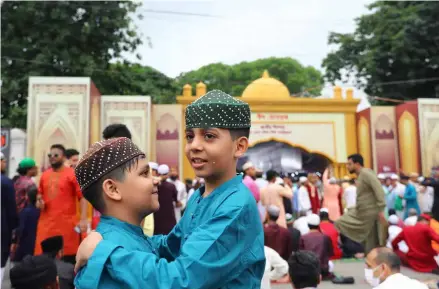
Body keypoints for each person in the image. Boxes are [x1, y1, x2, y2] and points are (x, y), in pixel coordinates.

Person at [75, 89, 265, 288]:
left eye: (209, 136)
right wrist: (106, 243)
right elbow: (171, 246)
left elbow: (180, 279)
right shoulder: (201, 198)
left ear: (240, 147)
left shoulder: (235, 206)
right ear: (112, 189)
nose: (194, 146)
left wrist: (105, 252)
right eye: (190, 137)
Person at [72, 137, 160, 288]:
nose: (156, 180)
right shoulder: (104, 264)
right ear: (113, 189)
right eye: (145, 173)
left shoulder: (126, 239)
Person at [34, 144, 88, 264]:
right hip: (46, 226)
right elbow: (40, 196)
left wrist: (83, 219)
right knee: (44, 260)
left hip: (66, 226)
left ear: (63, 157)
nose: (52, 157)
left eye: (56, 155)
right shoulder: (44, 175)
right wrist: (39, 202)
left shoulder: (72, 174)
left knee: (66, 260)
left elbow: (82, 197)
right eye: (50, 155)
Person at [335, 154, 387, 254]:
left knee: (371, 245)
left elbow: (379, 190)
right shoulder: (360, 176)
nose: (347, 166)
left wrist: (381, 210)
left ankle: (373, 262)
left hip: (370, 214)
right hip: (361, 212)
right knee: (340, 223)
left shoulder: (366, 174)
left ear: (357, 164)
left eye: (349, 164)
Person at [11, 186, 40, 263]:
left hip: (24, 245)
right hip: (37, 245)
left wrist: (14, 242)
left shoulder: (25, 212)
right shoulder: (41, 212)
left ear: (27, 197)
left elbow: (20, 229)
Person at [299, 214, 333, 279]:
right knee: (331, 263)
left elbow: (300, 255)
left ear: (308, 225)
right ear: (318, 225)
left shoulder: (303, 238)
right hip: (323, 269)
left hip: (308, 270)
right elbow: (330, 253)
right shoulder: (325, 237)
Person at [1, 152, 18, 281]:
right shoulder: (6, 182)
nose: (5, 163)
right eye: (3, 161)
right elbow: (12, 210)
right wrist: (14, 233)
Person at [154, 164, 178, 235]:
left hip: (156, 216)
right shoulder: (172, 186)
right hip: (169, 217)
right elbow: (175, 199)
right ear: (167, 174)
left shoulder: (154, 185)